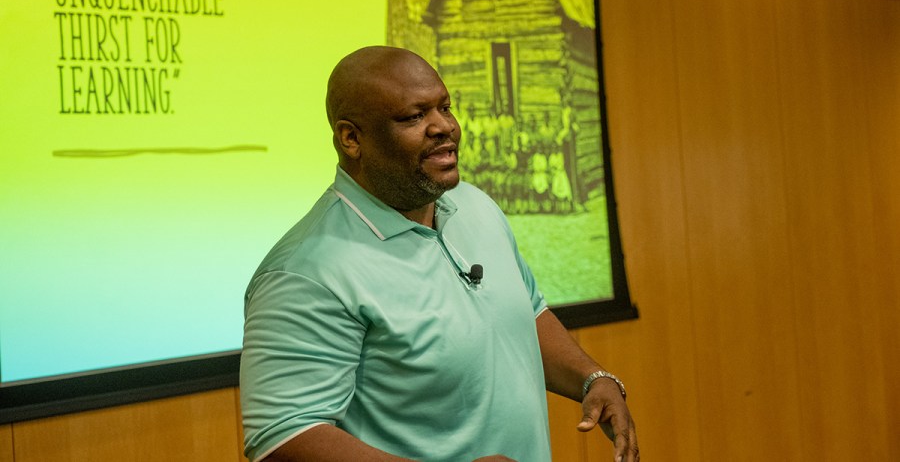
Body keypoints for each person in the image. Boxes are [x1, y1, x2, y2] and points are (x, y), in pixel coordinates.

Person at [240, 46, 639, 462]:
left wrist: (592, 378)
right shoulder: (304, 272)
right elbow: (284, 439)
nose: (444, 127)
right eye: (414, 117)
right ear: (351, 138)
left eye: (445, 108)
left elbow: (526, 313)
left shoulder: (475, 206)